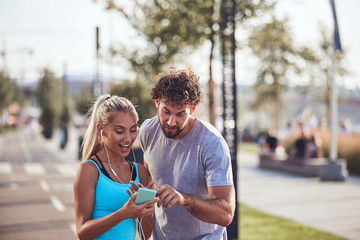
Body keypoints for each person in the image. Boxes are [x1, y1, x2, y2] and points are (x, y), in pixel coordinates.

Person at [139, 68, 236, 239]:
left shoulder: (211, 143)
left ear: (192, 109)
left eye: (180, 114)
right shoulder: (148, 130)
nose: (171, 122)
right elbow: (150, 182)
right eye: (166, 111)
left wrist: (184, 199)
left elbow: (225, 214)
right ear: (157, 103)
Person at [73, 95, 159, 240]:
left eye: (132, 130)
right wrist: (123, 213)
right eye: (119, 131)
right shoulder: (89, 170)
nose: (128, 138)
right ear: (101, 129)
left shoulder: (139, 172)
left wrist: (147, 209)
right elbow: (82, 232)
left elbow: (146, 234)